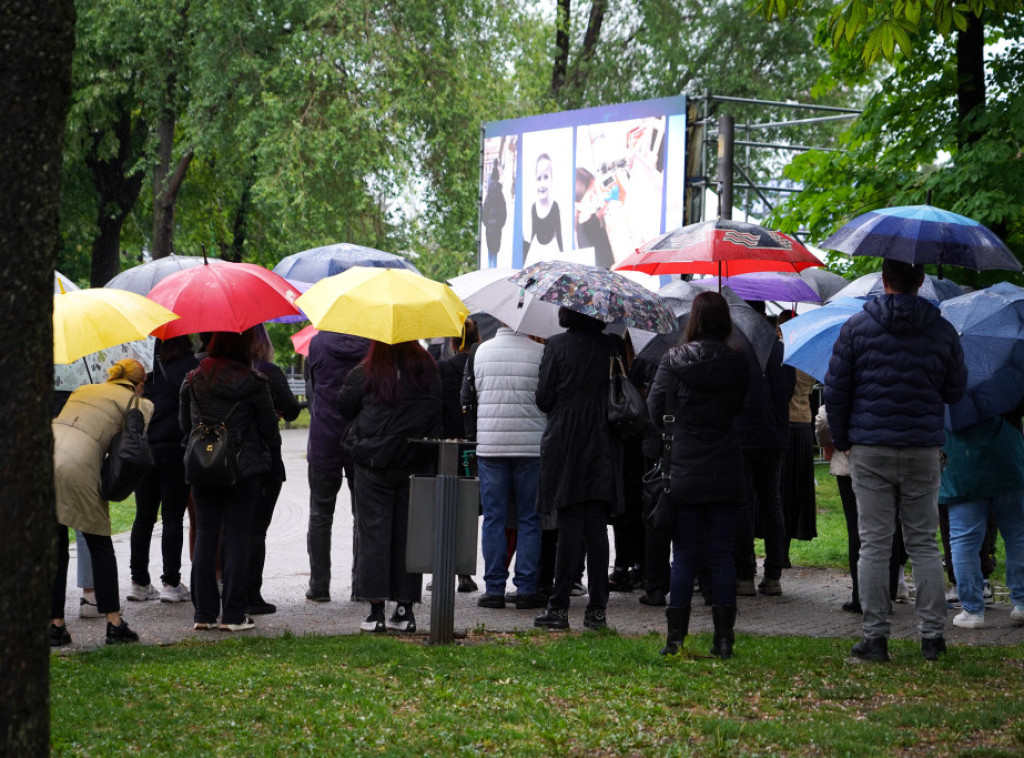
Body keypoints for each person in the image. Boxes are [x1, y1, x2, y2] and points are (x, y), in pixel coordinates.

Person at [825, 258, 966, 662]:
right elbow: (956, 391)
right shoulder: (941, 330)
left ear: (883, 280)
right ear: (920, 281)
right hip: (922, 448)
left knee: (874, 545)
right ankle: (933, 638)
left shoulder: (856, 327)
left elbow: (836, 391)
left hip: (870, 448)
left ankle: (875, 638)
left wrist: (843, 441)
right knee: (924, 544)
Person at [646, 292, 749, 658]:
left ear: (693, 320)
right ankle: (723, 640)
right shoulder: (739, 362)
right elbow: (741, 409)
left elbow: (654, 409)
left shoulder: (672, 360)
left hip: (684, 469)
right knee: (721, 555)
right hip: (725, 468)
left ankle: (675, 640)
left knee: (684, 555)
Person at [339, 340, 443, 634]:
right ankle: (404, 609)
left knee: (374, 534)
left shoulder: (367, 372)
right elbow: (439, 410)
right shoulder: (428, 372)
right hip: (416, 460)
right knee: (409, 535)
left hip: (374, 462)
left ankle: (375, 612)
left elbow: (344, 406)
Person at [180, 330, 280, 633]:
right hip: (245, 469)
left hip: (204, 467)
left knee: (206, 535)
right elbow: (270, 431)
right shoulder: (255, 383)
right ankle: (234, 615)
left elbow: (184, 425)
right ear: (244, 347)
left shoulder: (192, 380)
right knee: (237, 536)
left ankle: (204, 613)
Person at [51, 359, 154, 646]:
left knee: (55, 548)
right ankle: (114, 623)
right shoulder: (140, 403)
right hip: (80, 463)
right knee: (99, 544)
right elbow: (130, 451)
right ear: (141, 383)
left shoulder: (83, 390)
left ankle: (55, 625)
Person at [533, 308, 623, 631]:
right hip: (601, 438)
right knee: (597, 527)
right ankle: (597, 610)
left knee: (569, 524)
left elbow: (543, 398)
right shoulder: (612, 345)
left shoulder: (556, 345)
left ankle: (558, 608)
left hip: (566, 439)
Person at [462, 322, 547, 610]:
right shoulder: (540, 353)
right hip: (531, 447)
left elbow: (469, 397)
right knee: (529, 519)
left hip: (491, 445)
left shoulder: (481, 352)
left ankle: (494, 589)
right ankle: (525, 587)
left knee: (494, 519)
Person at [127, 336, 198, 605]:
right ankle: (171, 582)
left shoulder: (144, 371)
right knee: (172, 518)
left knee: (143, 517)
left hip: (146, 451)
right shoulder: (190, 367)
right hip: (175, 451)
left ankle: (139, 582)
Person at [939, 413, 1024, 628]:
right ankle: (1022, 602)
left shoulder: (952, 389)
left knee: (963, 539)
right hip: (1007, 457)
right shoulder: (1006, 383)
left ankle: (972, 609)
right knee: (1017, 534)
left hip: (963, 462)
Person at [305, 330, 370, 603]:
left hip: (323, 438)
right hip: (362, 437)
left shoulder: (317, 343)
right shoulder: (372, 344)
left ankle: (319, 586)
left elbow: (312, 389)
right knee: (364, 516)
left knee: (320, 514)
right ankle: (362, 585)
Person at [735, 321, 794, 596]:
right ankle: (774, 574)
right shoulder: (782, 351)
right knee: (773, 503)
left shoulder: (736, 350)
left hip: (742, 435)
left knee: (743, 503)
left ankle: (745, 575)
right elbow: (788, 392)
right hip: (775, 434)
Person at [247, 324, 302, 615]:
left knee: (232, 529)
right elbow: (291, 409)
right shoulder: (268, 372)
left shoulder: (225, 371)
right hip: (266, 458)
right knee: (257, 531)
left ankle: (228, 588)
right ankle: (251, 594)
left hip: (231, 460)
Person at [438, 318, 481, 594]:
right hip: (473, 444)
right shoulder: (479, 364)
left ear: (452, 342)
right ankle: (465, 574)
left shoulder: (442, 368)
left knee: (443, 508)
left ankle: (440, 569)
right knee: (468, 509)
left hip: (445, 446)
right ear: (477, 338)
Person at [523, 153, 562, 262]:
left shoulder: (555, 206)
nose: (542, 183)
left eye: (546, 177)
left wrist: (564, 258)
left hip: (552, 251)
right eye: (539, 178)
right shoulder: (533, 208)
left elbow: (559, 236)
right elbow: (533, 234)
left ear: (552, 179)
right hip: (537, 251)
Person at [574, 167, 614, 268]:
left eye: (595, 192)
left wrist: (601, 212)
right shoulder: (585, 244)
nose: (596, 199)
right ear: (576, 205)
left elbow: (591, 222)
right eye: (591, 197)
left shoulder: (585, 217)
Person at [482, 161, 507, 268]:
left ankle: (489, 268)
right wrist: (500, 223)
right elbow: (504, 211)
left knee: (489, 249)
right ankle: (494, 270)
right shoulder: (501, 195)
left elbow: (484, 210)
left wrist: (486, 223)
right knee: (496, 248)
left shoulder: (488, 195)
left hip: (490, 226)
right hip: (497, 226)